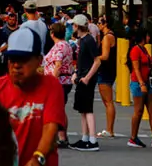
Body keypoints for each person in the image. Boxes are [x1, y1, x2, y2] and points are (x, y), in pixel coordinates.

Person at [0, 27, 65, 166]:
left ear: (39, 60)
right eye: (12, 60)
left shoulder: (51, 86)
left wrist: (38, 157)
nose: (16, 65)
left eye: (23, 60)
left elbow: (51, 127)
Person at [69, 14, 101, 152]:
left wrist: (87, 77)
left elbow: (97, 61)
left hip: (87, 78)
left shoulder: (88, 41)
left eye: (73, 25)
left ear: (77, 26)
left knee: (87, 109)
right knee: (83, 109)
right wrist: (76, 72)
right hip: (82, 76)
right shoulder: (83, 40)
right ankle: (85, 138)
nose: (72, 28)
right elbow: (83, 61)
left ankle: (92, 140)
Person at [127, 27, 152, 149]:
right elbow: (136, 68)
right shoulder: (135, 50)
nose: (149, 38)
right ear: (143, 37)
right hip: (139, 83)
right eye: (147, 36)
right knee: (139, 110)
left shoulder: (144, 50)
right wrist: (141, 83)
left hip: (148, 82)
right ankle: (133, 137)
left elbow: (146, 64)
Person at [43, 22, 74, 148]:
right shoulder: (66, 45)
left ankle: (61, 137)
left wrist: (52, 81)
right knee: (60, 109)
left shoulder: (59, 47)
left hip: (59, 81)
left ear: (52, 34)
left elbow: (58, 65)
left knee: (57, 110)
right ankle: (62, 136)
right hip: (65, 80)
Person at [97, 17, 117, 138]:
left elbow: (105, 56)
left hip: (105, 70)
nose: (98, 25)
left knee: (108, 101)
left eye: (99, 23)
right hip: (109, 70)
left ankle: (110, 130)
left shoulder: (107, 37)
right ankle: (109, 129)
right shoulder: (111, 35)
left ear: (106, 24)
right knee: (107, 102)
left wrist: (94, 58)